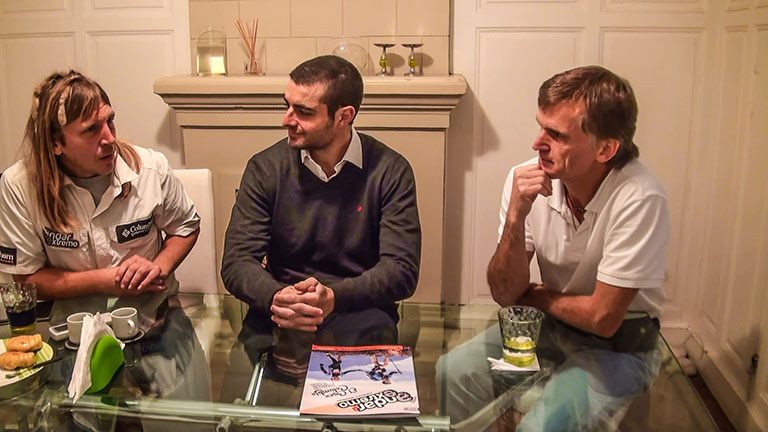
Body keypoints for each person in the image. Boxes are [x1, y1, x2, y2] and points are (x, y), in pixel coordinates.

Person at [437, 65, 670, 430]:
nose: (537, 143)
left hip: (622, 342)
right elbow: (505, 293)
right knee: (452, 371)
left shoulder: (640, 197)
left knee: (543, 425)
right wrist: (516, 215)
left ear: (605, 148)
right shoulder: (526, 179)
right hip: (551, 327)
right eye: (541, 126)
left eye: (556, 134)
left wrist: (536, 295)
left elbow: (603, 318)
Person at [221, 55, 421, 347]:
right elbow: (237, 261)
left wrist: (333, 297)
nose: (287, 120)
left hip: (361, 312)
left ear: (344, 116)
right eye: (287, 105)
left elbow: (401, 270)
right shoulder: (266, 168)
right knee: (238, 373)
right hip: (281, 309)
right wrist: (277, 296)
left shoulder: (390, 171)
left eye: (304, 112)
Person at [0, 70, 200, 325]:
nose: (109, 138)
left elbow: (186, 227)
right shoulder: (19, 186)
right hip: (69, 324)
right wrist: (107, 281)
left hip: (153, 319)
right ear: (55, 143)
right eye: (91, 129)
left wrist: (158, 267)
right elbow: (26, 279)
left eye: (110, 121)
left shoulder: (150, 169)